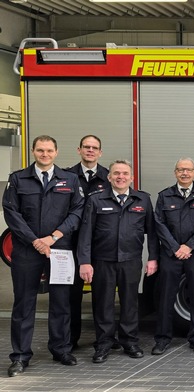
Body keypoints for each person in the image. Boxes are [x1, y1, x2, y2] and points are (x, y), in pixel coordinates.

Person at [3, 135, 83, 377]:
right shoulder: (18, 179)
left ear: (56, 152)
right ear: (33, 152)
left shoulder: (70, 179)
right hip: (27, 250)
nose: (44, 154)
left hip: (59, 249)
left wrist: (53, 237)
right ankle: (20, 356)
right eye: (40, 150)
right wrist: (35, 241)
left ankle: (60, 349)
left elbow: (77, 211)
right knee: (24, 304)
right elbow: (11, 212)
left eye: (49, 150)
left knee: (61, 302)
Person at [77, 160, 159, 364]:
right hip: (102, 261)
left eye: (125, 173)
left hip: (131, 260)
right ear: (109, 177)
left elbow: (154, 233)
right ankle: (103, 343)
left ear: (132, 177)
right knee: (102, 303)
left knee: (130, 303)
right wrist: (84, 262)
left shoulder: (143, 200)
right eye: (116, 173)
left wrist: (153, 258)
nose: (121, 177)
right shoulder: (95, 200)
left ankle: (130, 341)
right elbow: (85, 234)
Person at [152, 158, 194, 355]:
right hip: (171, 254)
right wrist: (176, 247)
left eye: (188, 170)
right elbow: (159, 224)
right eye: (180, 170)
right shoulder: (165, 195)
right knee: (166, 297)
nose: (184, 173)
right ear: (175, 172)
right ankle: (162, 338)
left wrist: (190, 246)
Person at [64, 134, 110, 349]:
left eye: (94, 148)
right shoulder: (66, 176)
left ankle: (104, 339)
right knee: (71, 295)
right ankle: (71, 340)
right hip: (71, 244)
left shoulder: (108, 177)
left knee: (102, 296)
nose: (90, 150)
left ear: (100, 152)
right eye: (86, 147)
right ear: (79, 150)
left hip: (100, 246)